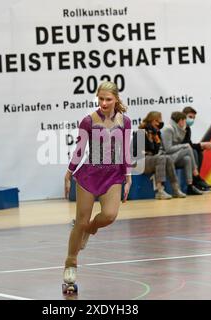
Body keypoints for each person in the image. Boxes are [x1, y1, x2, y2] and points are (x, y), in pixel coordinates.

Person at [63, 81, 132, 293]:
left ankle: (90, 229)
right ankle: (70, 264)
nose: (103, 102)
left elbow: (127, 150)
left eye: (108, 99)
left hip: (113, 175)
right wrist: (69, 173)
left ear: (116, 100)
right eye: (100, 98)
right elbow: (80, 149)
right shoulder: (88, 121)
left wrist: (128, 176)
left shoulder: (125, 121)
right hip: (90, 174)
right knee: (80, 222)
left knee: (110, 215)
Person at [136, 111, 186, 199]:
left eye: (160, 121)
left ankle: (175, 189)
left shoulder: (156, 134)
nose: (159, 123)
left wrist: (156, 141)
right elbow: (136, 152)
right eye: (157, 121)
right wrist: (147, 152)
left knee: (168, 158)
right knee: (161, 158)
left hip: (151, 160)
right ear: (151, 120)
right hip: (140, 162)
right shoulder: (141, 132)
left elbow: (156, 151)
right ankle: (160, 191)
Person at [162, 112, 203, 196]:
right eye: (184, 120)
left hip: (173, 156)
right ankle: (195, 171)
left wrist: (182, 145)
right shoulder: (168, 129)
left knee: (187, 159)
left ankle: (190, 186)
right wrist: (183, 146)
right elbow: (168, 149)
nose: (185, 123)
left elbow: (176, 145)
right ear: (180, 121)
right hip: (166, 156)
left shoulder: (177, 129)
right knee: (187, 147)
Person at [182, 106, 211, 191]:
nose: (192, 120)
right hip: (178, 151)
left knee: (199, 151)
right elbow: (185, 145)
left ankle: (197, 179)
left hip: (185, 150)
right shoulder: (180, 127)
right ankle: (196, 180)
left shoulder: (187, 128)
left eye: (193, 118)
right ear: (183, 116)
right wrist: (201, 145)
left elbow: (189, 144)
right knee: (194, 151)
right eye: (190, 117)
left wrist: (201, 146)